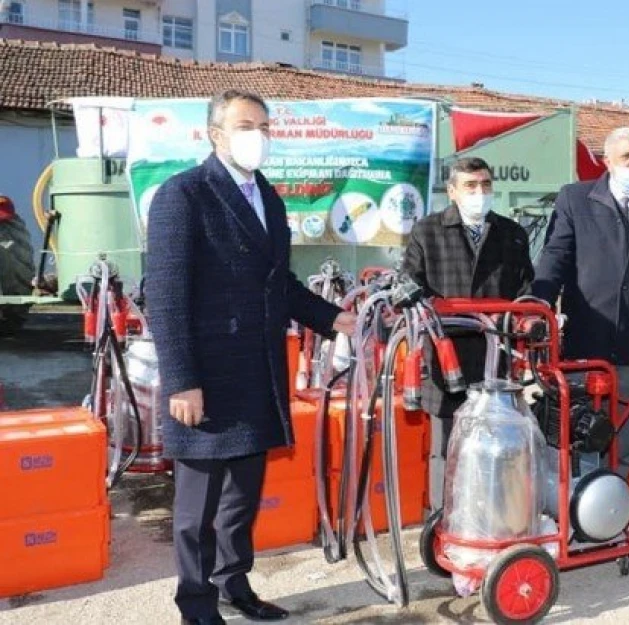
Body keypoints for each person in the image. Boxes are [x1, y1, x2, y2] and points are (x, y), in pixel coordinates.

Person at [145, 90, 356, 625]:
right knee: (197, 509)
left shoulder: (268, 197)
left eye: (263, 125)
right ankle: (195, 606)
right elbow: (165, 295)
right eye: (245, 124)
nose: (256, 135)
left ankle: (232, 584)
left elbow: (278, 284)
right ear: (215, 134)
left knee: (242, 497)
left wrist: (334, 319)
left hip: (258, 370)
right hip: (206, 376)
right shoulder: (184, 195)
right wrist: (182, 381)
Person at [533, 126, 629, 479]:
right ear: (608, 161)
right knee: (581, 435)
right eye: (627, 156)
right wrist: (539, 305)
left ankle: (612, 511)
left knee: (623, 438)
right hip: (585, 343)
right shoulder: (576, 199)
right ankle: (577, 511)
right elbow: (555, 256)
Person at [401, 156, 534, 511]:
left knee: (495, 445)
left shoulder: (512, 234)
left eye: (486, 185)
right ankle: (444, 521)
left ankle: (489, 518)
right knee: (447, 447)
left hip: (496, 362)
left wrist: (529, 320)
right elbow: (409, 282)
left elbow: (526, 290)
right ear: (452, 191)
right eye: (471, 186)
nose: (480, 192)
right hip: (445, 359)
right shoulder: (427, 232)